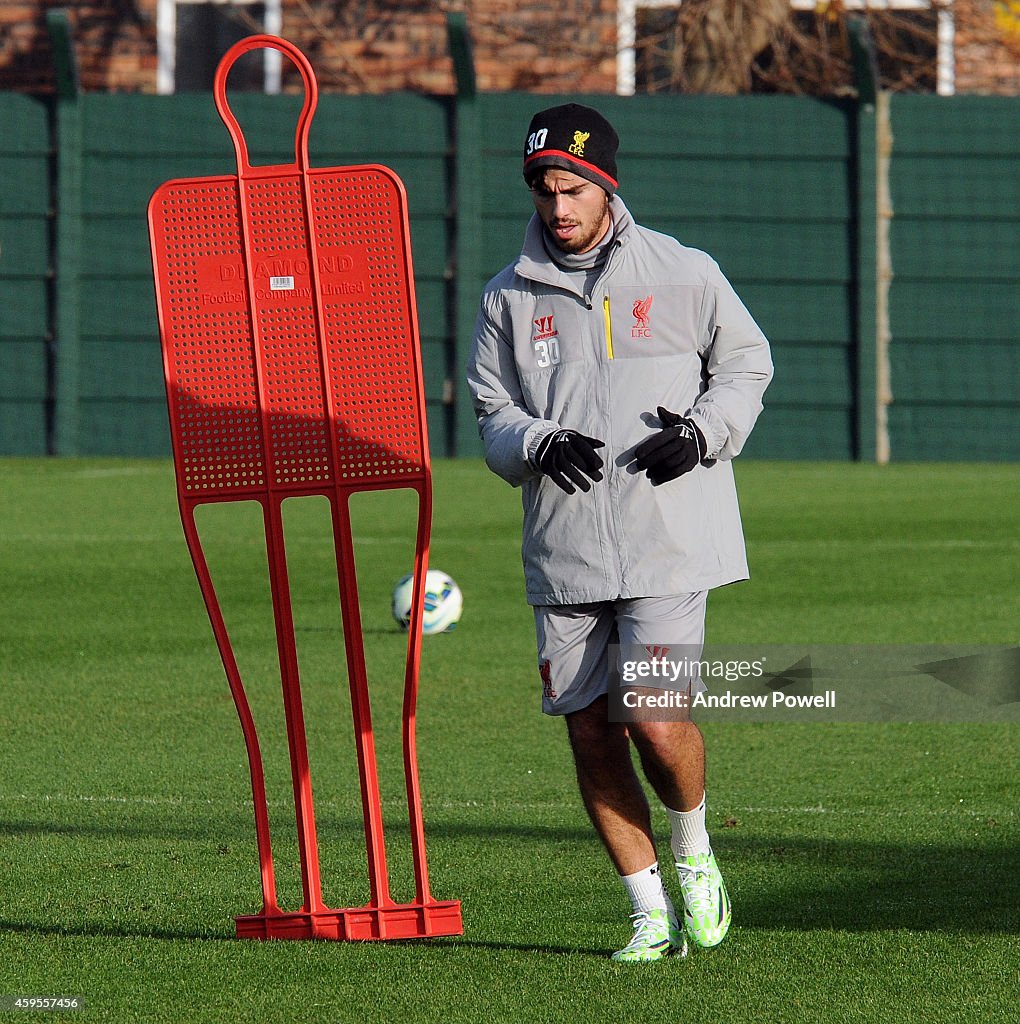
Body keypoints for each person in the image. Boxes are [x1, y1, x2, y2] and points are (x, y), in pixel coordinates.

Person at [466, 103, 773, 963]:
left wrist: (704, 431)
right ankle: (647, 913)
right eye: (543, 189)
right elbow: (491, 414)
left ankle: (695, 851)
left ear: (606, 185)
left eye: (573, 188)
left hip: (670, 540)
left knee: (653, 718)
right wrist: (536, 440)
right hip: (564, 553)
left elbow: (748, 362)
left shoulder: (684, 271)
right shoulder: (506, 296)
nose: (558, 207)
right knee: (589, 731)